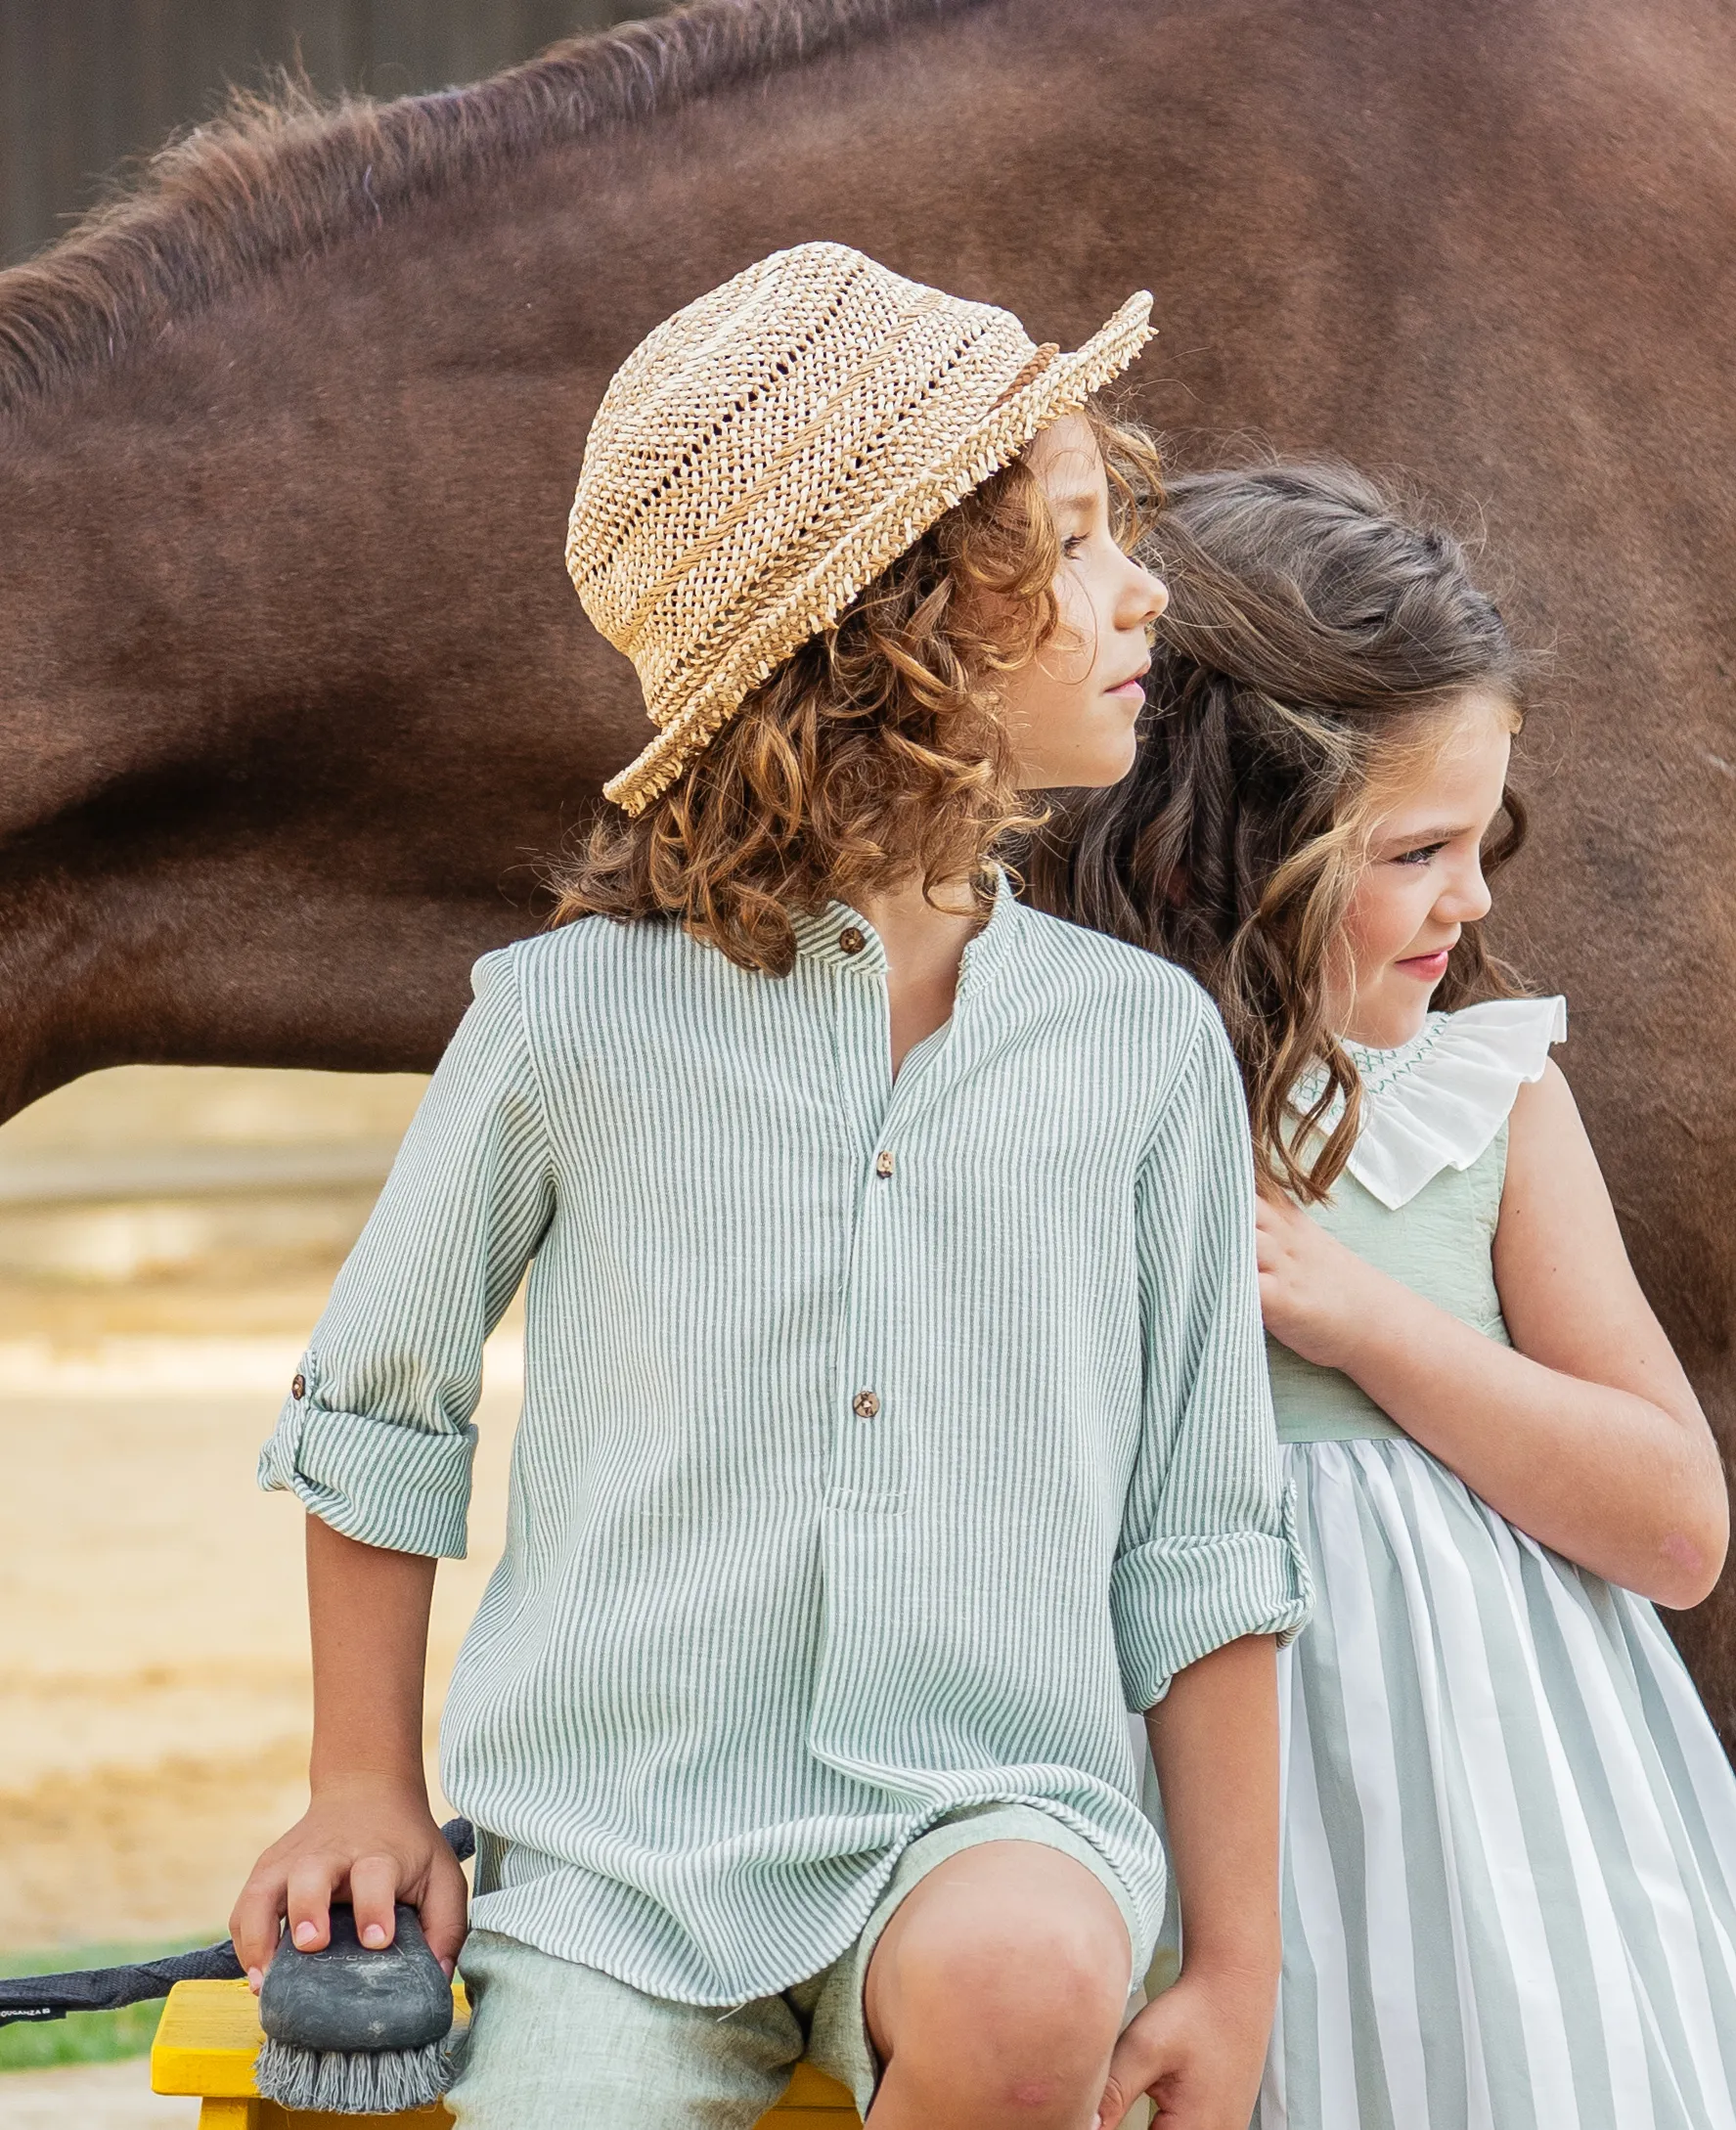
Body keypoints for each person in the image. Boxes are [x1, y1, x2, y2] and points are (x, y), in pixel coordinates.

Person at [230, 244, 1308, 2130]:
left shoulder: (1142, 1054)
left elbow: (1199, 1533)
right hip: (615, 1871)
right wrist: (363, 1786)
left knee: (1032, 1973)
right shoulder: (559, 1023)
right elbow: (378, 1409)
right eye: (1062, 545)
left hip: (990, 1820)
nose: (1134, 587)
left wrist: (1234, 1969)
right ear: (889, 633)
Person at [1034, 463, 1736, 2130]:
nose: (1471, 900)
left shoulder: (1480, 1103)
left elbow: (1674, 1522)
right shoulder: (1050, 1087)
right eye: (1415, 851)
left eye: (1478, 842)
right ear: (1214, 851)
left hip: (1493, 1855)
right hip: (1169, 1826)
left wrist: (1364, 1321)